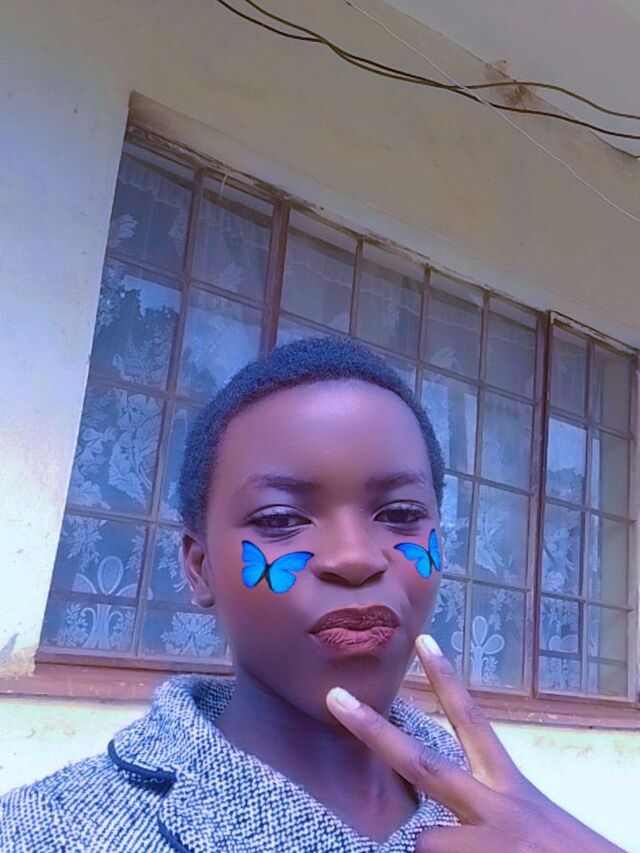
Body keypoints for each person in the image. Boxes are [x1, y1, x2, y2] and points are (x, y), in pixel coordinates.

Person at [0, 336, 624, 852]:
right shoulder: (46, 833)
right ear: (199, 568)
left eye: (401, 513)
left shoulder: (511, 812)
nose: (356, 557)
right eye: (279, 519)